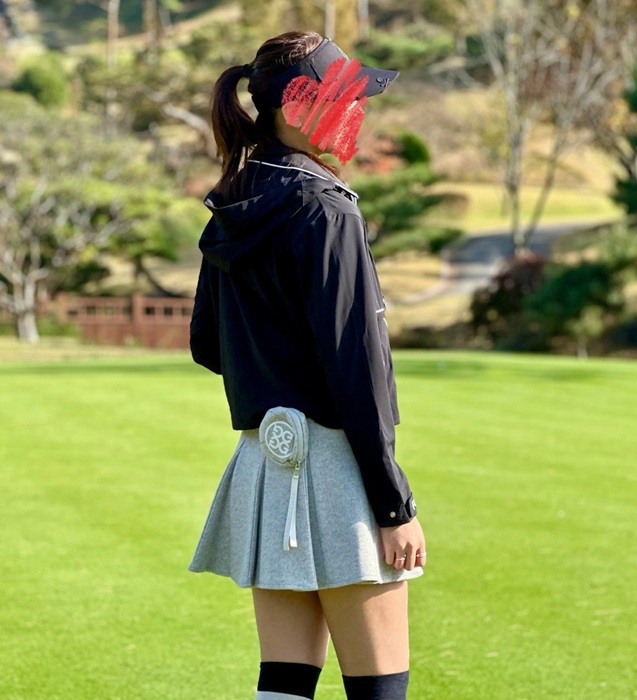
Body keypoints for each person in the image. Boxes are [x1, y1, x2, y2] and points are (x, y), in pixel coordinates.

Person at [188, 31, 426, 700]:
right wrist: (394, 505)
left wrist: (273, 378)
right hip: (340, 470)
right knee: (380, 692)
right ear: (296, 106)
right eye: (346, 98)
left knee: (284, 687)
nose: (358, 111)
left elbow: (208, 344)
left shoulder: (233, 199)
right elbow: (358, 372)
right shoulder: (326, 208)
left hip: (266, 460)